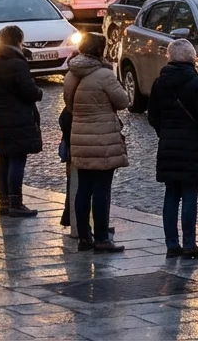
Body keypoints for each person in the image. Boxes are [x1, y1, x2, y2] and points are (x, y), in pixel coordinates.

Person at [148, 39, 198, 259]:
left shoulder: (160, 83)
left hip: (168, 145)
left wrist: (165, 132)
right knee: (189, 195)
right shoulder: (196, 83)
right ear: (191, 58)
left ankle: (171, 244)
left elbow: (153, 116)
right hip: (193, 146)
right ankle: (189, 244)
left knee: (171, 194)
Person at [65, 33, 129, 252]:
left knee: (83, 188)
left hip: (80, 136)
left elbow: (70, 106)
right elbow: (123, 101)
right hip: (103, 140)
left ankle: (85, 237)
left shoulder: (71, 74)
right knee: (102, 189)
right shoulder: (104, 75)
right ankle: (102, 238)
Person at [0, 25, 43, 217]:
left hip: (0, 118)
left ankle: (4, 202)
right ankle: (16, 202)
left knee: (5, 159)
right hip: (19, 118)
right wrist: (39, 93)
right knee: (17, 159)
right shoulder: (18, 64)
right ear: (17, 40)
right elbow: (29, 91)